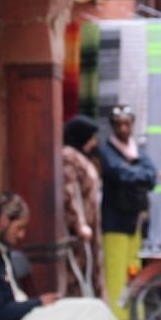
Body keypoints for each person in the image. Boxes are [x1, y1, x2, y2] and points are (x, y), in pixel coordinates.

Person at [0, 192, 132, 320]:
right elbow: (1, 312)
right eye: (19, 228)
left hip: (27, 315)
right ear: (4, 220)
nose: (22, 235)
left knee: (96, 318)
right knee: (94, 314)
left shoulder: (2, 250)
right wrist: (38, 302)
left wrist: (38, 303)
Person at [97, 104, 157, 320]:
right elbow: (120, 174)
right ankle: (117, 317)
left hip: (135, 220)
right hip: (115, 221)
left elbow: (151, 175)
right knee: (115, 270)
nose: (123, 128)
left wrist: (133, 173)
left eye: (127, 124)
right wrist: (136, 173)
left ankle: (134, 314)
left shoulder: (137, 150)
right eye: (119, 124)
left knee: (133, 269)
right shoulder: (106, 151)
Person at [62, 114, 103, 299]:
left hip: (89, 224)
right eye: (91, 137)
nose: (94, 143)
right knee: (78, 276)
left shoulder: (81, 157)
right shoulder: (69, 157)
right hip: (79, 231)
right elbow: (68, 192)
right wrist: (78, 224)